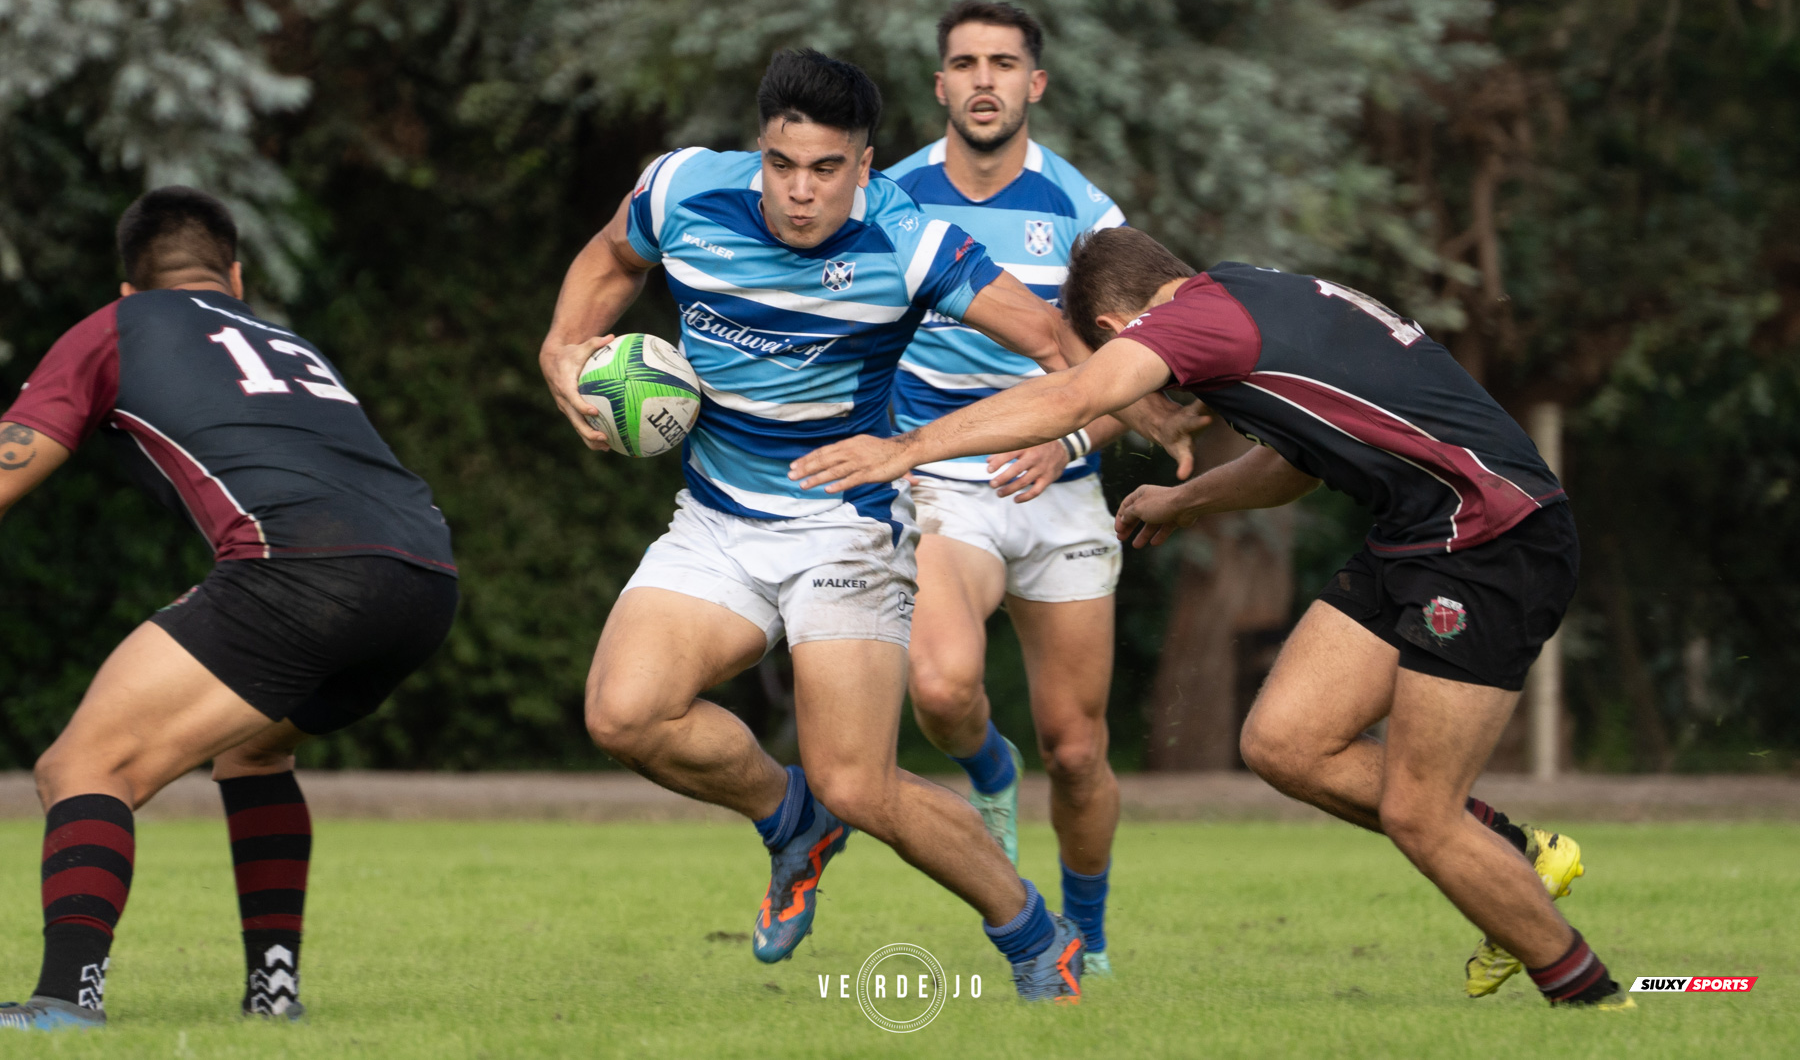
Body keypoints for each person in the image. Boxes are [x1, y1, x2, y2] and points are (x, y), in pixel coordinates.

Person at [790, 227, 1633, 1010]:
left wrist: (904, 449)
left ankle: (1593, 999)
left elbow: (1076, 396)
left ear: (1120, 323)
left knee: (1420, 811)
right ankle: (1512, 861)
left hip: (1493, 537)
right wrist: (1189, 499)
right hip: (1418, 536)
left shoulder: (1192, 324)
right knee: (1286, 743)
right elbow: (1295, 463)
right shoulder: (1249, 295)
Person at [539, 51, 1196, 1001]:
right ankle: (790, 820)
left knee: (861, 782)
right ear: (757, 150)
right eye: (781, 164)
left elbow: (1059, 341)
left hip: (843, 531)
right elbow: (610, 257)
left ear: (866, 163)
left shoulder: (913, 242)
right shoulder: (682, 188)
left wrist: (1138, 411)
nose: (800, 193)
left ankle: (1031, 932)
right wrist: (561, 353)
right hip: (716, 519)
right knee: (625, 714)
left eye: (826, 170)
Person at [0, 187, 460, 1030]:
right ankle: (272, 995)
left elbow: (10, 468)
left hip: (299, 573)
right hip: (426, 576)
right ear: (235, 278)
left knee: (81, 769)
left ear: (130, 287)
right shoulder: (288, 341)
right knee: (254, 751)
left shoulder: (116, 326)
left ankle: (65, 1001)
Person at [883, 0, 1139, 975]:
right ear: (940, 85)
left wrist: (1069, 431)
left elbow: (1144, 373)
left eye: (1004, 63)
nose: (983, 79)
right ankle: (991, 768)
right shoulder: (888, 198)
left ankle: (1090, 933)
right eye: (964, 63)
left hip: (1062, 486)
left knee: (1077, 751)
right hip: (942, 476)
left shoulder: (1083, 214)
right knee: (943, 687)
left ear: (1035, 84)